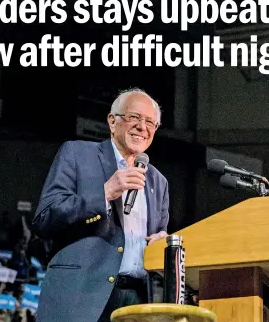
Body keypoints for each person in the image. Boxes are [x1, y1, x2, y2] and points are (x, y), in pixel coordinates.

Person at [32, 88, 170, 322]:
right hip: (80, 297)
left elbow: (158, 237)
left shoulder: (159, 181)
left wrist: (162, 246)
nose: (142, 127)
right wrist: (104, 194)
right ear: (112, 121)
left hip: (136, 300)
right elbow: (44, 219)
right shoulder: (76, 154)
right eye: (134, 117)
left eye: (150, 122)